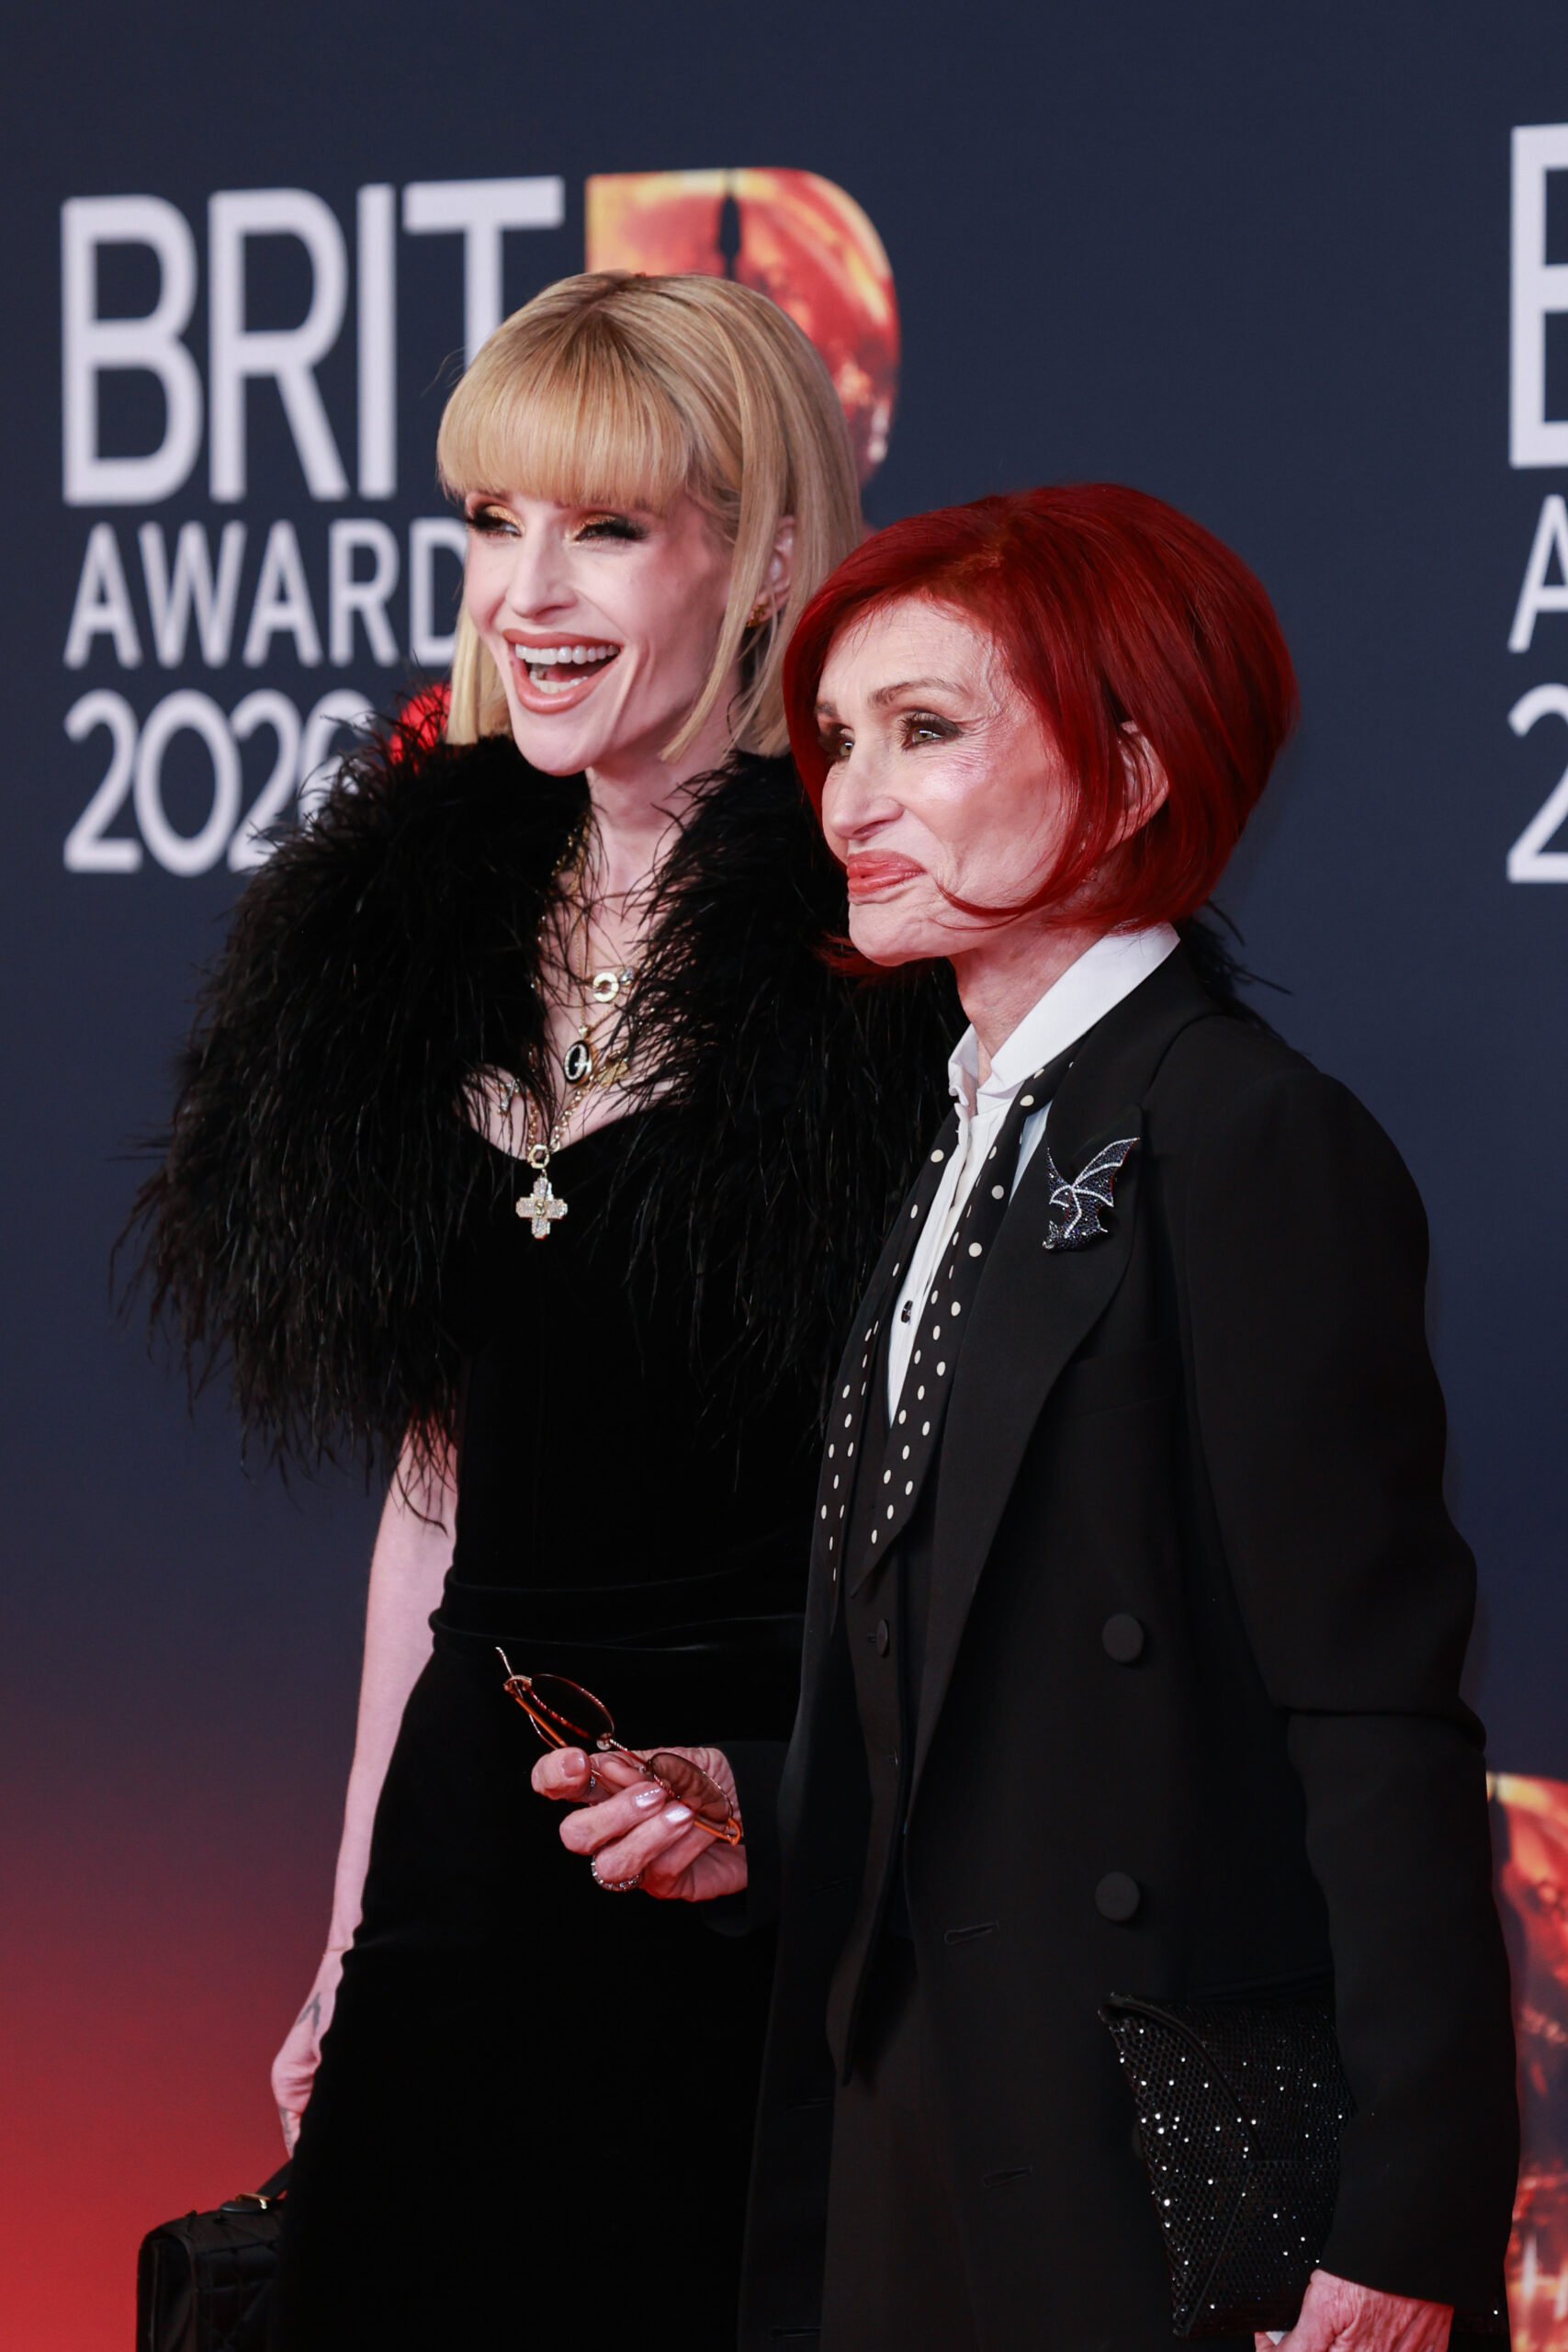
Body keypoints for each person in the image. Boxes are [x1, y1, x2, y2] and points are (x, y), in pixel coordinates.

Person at [547, 485, 1520, 2351]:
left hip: (1141, 2176)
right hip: (912, 2125)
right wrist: (752, 1798)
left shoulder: (1249, 1140)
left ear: (1136, 768)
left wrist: (1405, 2211)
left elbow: (1370, 1706)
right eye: (835, 736)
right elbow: (986, 1678)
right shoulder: (960, 1133)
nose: (847, 798)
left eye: (924, 729)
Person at [133, 271, 956, 2349]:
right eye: (491, 522)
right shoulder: (403, 935)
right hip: (473, 1840)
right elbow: (436, 1498)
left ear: (767, 550)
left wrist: (782, 1803)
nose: (527, 592)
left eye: (605, 526)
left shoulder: (891, 961)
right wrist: (347, 1928)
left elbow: (990, 1514)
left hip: (780, 1852)